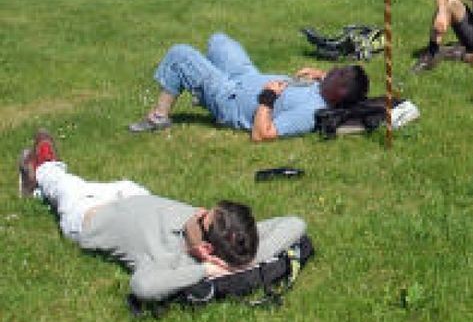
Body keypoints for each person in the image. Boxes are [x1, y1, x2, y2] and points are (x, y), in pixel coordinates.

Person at [15, 129, 294, 302]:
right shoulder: (236, 241)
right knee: (116, 184)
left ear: (206, 249)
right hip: (134, 195)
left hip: (90, 216)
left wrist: (206, 270)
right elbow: (294, 222)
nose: (198, 212)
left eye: (202, 219)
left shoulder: (171, 261)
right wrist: (246, 262)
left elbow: (142, 286)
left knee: (65, 184)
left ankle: (40, 169)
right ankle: (41, 188)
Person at [129, 32, 369, 141]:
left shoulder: (309, 113)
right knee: (219, 41)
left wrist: (268, 99)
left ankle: (160, 117)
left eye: (338, 73)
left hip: (230, 99)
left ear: (341, 92)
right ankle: (201, 86)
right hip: (245, 76)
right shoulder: (325, 88)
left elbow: (262, 134)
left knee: (180, 54)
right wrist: (320, 74)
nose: (332, 70)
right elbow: (329, 78)